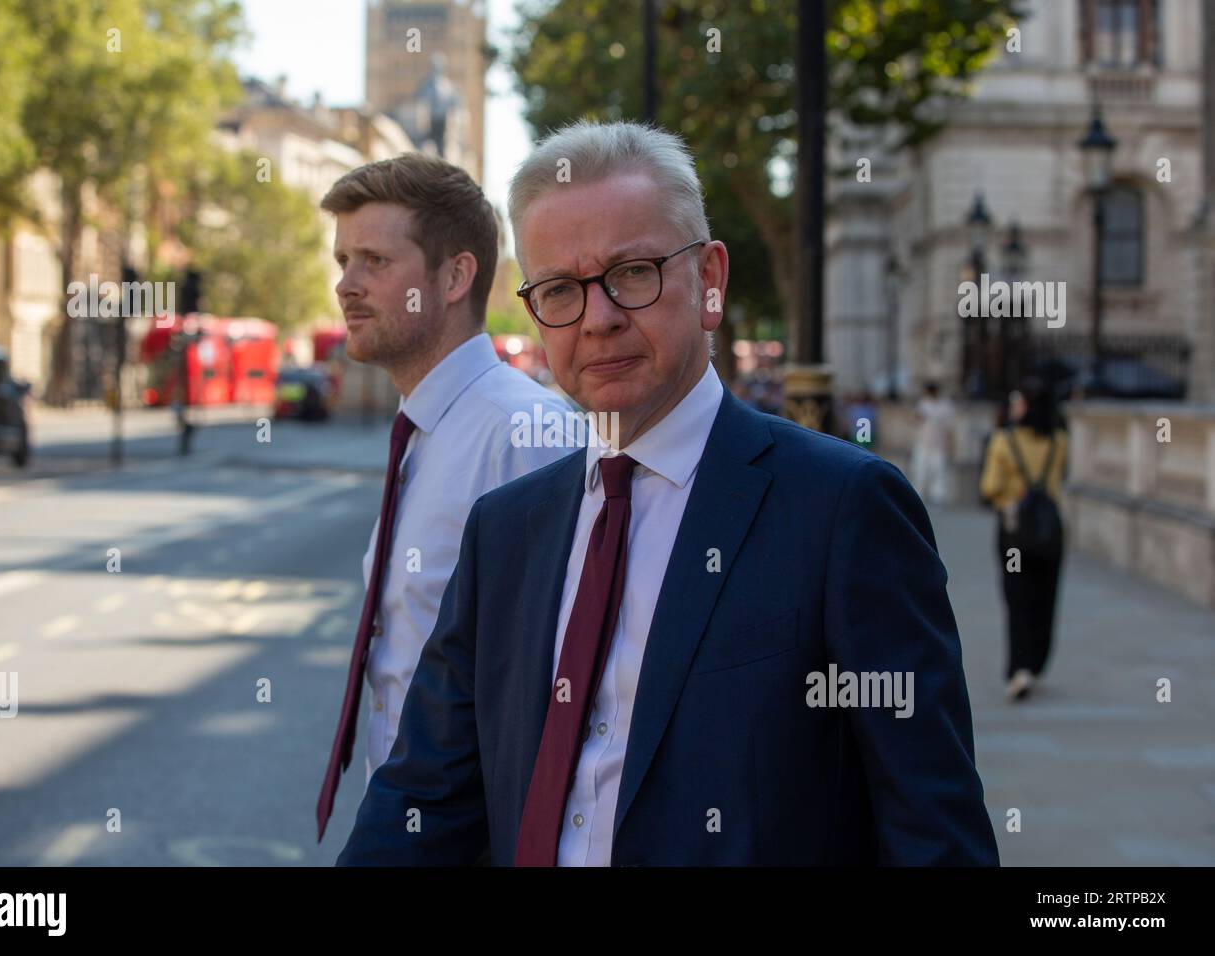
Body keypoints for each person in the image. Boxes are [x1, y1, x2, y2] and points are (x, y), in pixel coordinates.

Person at [338, 121, 998, 866]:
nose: (599, 317)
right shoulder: (505, 530)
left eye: (633, 273)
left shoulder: (844, 511)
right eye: (561, 290)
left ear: (709, 280)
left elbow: (933, 835)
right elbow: (426, 794)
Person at [314, 153, 574, 842]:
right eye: (343, 260)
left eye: (374, 260)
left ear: (455, 276)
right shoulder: (425, 431)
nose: (346, 284)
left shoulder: (525, 435)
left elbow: (559, 684)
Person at [979, 380, 1069, 702]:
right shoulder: (1059, 441)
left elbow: (989, 487)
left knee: (1017, 598)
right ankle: (1037, 661)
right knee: (1046, 598)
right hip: (1050, 533)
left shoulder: (1004, 441)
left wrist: (1009, 493)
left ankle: (1019, 668)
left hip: (1015, 534)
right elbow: (1062, 478)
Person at [911, 382, 956, 505]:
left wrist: (950, 444)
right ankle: (918, 495)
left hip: (938, 445)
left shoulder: (945, 405)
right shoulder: (923, 404)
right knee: (920, 470)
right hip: (923, 444)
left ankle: (938, 496)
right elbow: (916, 419)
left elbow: (949, 427)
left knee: (938, 471)